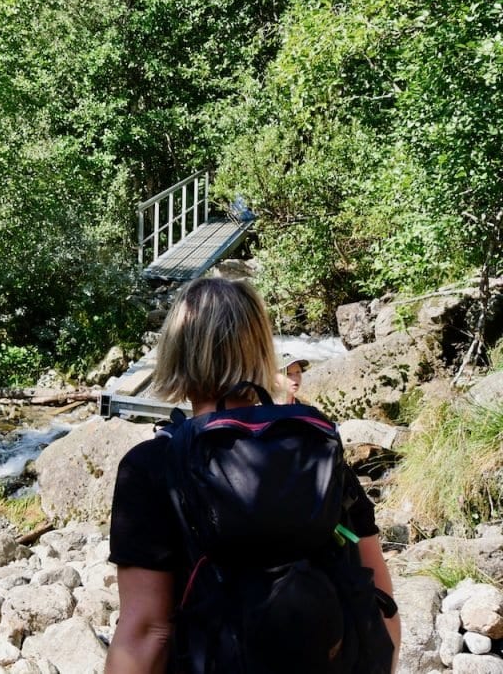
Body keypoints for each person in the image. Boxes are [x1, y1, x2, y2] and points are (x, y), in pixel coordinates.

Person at [104, 277, 400, 673]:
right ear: (261, 350)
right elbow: (379, 598)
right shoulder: (314, 446)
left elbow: (146, 632)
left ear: (176, 352)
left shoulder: (152, 465)